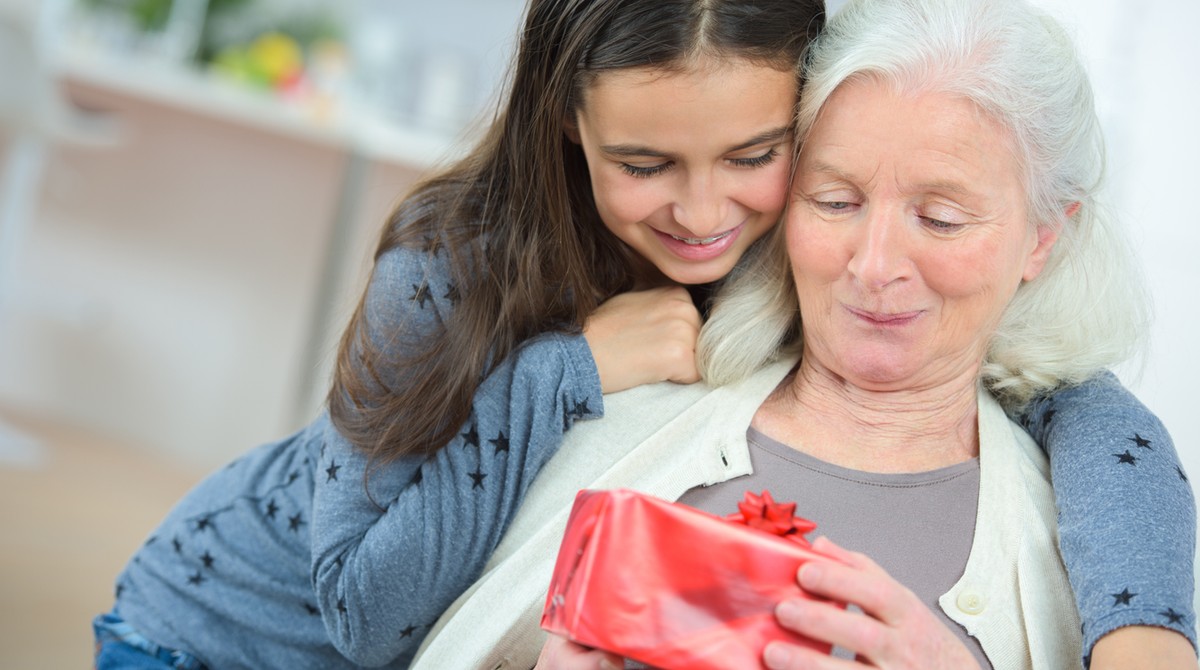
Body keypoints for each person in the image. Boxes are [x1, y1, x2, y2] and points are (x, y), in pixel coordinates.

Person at [92, 0, 1190, 668]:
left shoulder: (798, 236)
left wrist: (1147, 627)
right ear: (570, 126)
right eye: (644, 164)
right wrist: (563, 371)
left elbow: (1065, 387)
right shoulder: (452, 260)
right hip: (224, 627)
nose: (705, 213)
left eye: (756, 156)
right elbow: (363, 617)